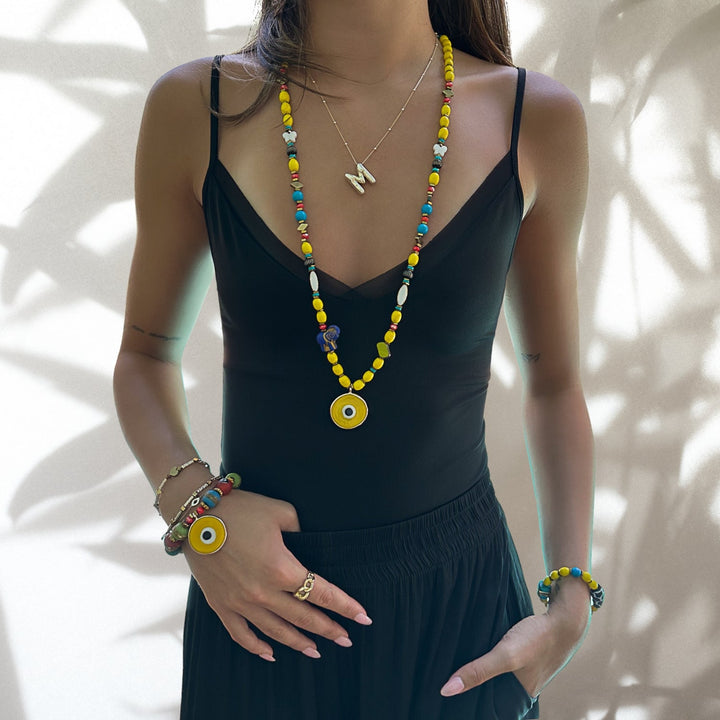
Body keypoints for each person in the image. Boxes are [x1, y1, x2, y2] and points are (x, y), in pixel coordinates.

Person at [114, 0, 599, 717]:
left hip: (460, 625)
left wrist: (569, 604)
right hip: (259, 611)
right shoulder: (198, 106)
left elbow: (554, 383)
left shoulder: (534, 116)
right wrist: (199, 519)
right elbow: (146, 354)